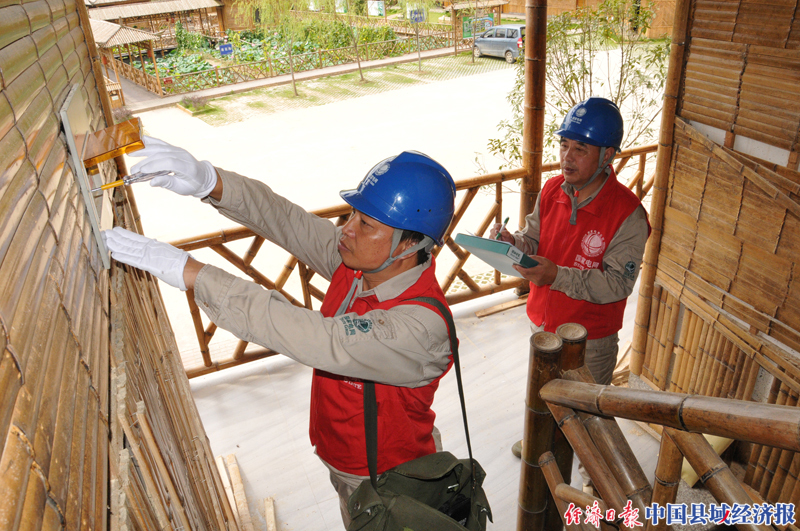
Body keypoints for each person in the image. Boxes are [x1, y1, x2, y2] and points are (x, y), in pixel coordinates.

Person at [102, 138, 458, 527]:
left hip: (389, 478)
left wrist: (191, 272)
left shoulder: (421, 329)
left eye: (365, 224)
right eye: (352, 214)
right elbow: (287, 220)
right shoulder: (360, 266)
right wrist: (210, 181)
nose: (346, 230)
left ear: (410, 245)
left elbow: (316, 337)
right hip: (347, 459)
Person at [491, 97, 650, 459]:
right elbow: (533, 237)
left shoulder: (628, 214)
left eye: (580, 149)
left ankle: (591, 494)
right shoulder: (551, 190)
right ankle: (540, 445)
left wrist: (556, 275)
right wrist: (514, 243)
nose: (567, 157)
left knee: (589, 423)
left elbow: (617, 284)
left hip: (590, 341)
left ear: (608, 156)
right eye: (564, 145)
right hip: (545, 324)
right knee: (544, 394)